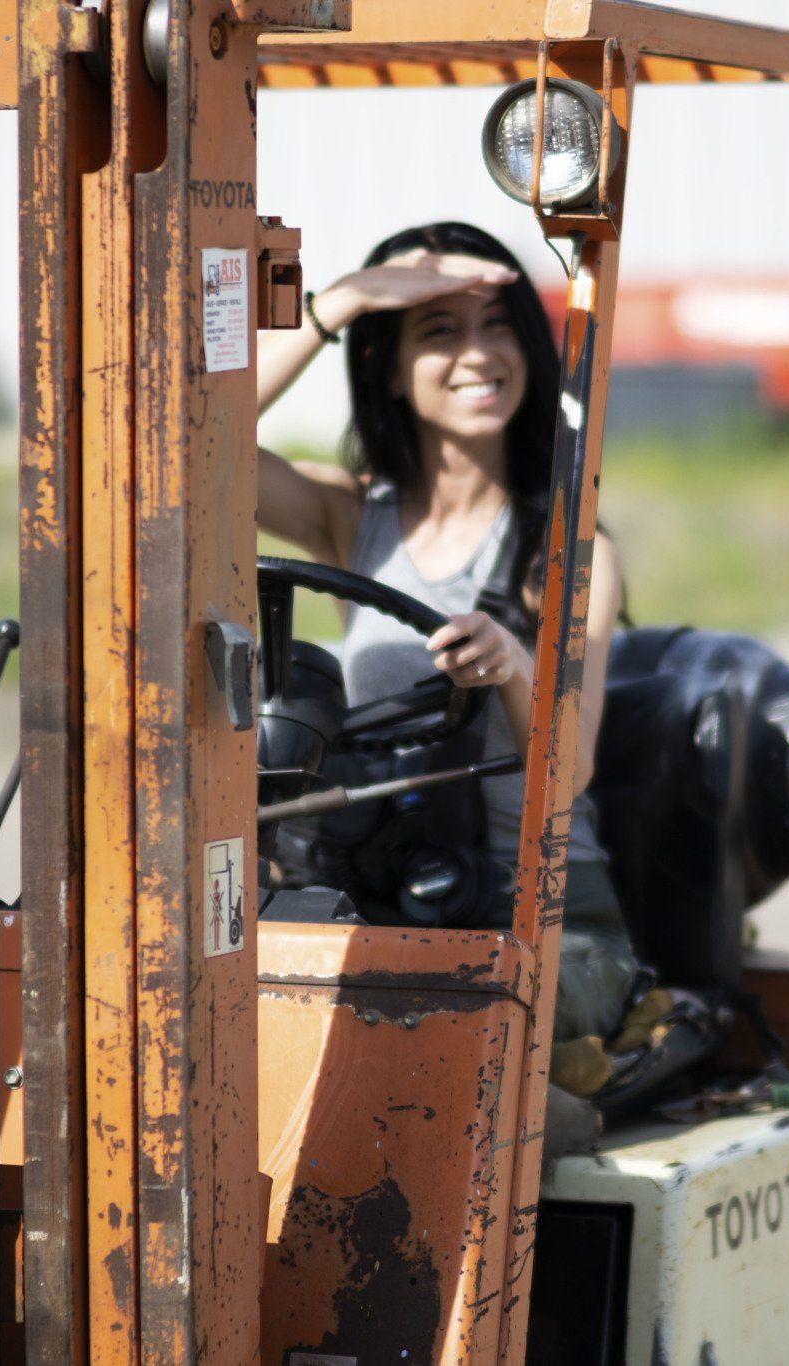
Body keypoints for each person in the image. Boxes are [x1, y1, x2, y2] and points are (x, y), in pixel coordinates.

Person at [255, 221, 637, 1055]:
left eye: (497, 325)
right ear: (388, 369)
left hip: (542, 925)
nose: (478, 353)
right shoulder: (346, 515)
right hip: (386, 899)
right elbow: (180, 442)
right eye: (439, 330)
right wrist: (341, 304)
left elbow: (570, 770)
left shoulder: (570, 553)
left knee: (422, 1034)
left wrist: (512, 663)